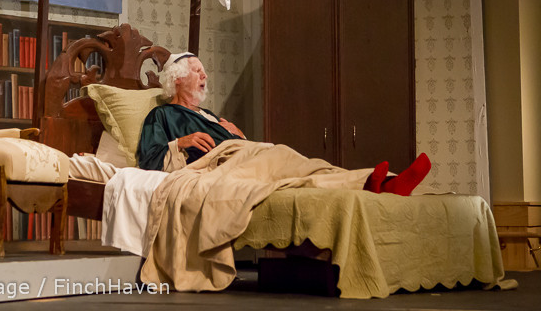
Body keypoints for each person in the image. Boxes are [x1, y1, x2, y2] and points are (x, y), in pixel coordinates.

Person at [136, 52, 431, 196]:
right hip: (221, 165)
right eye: (197, 71)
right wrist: (181, 142)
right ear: (177, 79)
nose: (205, 76)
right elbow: (148, 160)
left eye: (204, 71)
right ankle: (373, 183)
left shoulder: (210, 115)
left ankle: (380, 182)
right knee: (293, 165)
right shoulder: (162, 116)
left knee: (302, 168)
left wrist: (241, 137)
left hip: (245, 155)